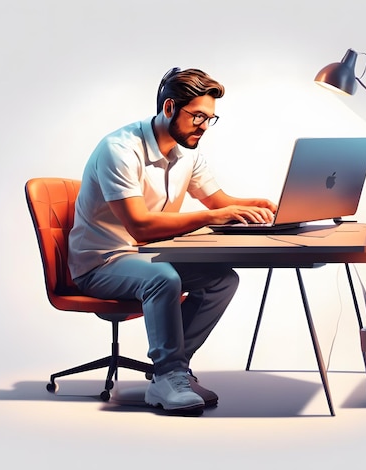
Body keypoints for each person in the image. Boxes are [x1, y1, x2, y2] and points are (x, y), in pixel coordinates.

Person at [67, 67, 277, 413]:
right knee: (163, 277)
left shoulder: (188, 151)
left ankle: (174, 370)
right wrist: (213, 217)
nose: (204, 126)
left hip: (147, 256)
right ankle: (167, 375)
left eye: (210, 118)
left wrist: (263, 205)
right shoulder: (120, 149)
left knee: (221, 280)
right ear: (168, 108)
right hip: (101, 262)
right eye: (197, 116)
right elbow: (141, 228)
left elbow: (218, 202)